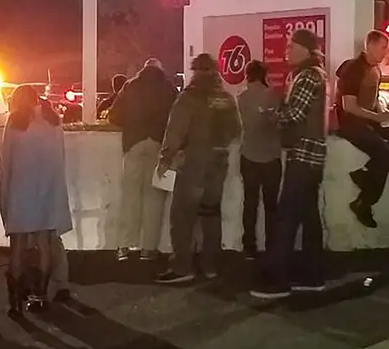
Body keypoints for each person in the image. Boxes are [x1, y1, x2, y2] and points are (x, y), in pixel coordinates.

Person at [251, 28, 330, 299]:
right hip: (312, 155)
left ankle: (278, 279)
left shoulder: (307, 76)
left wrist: (272, 115)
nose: (286, 51)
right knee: (308, 216)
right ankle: (313, 275)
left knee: (286, 216)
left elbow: (295, 114)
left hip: (303, 154)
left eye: (290, 46)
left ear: (305, 50)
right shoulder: (314, 74)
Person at [155, 53, 242, 284]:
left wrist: (165, 159)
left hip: (194, 163)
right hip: (219, 162)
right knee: (211, 215)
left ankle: (183, 267)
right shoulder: (226, 98)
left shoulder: (189, 98)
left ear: (196, 71)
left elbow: (175, 132)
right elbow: (236, 129)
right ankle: (210, 265)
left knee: (182, 216)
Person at [0, 86, 73, 313]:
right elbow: (60, 156)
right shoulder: (53, 120)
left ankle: (15, 303)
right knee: (44, 243)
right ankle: (40, 295)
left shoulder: (16, 121)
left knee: (19, 246)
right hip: (48, 190)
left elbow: (7, 160)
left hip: (21, 191)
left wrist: (5, 197)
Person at [336, 29, 389, 228]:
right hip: (350, 123)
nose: (386, 52)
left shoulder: (376, 70)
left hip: (369, 121)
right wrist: (376, 116)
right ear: (369, 46)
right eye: (383, 48)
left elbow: (372, 99)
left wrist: (382, 111)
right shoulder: (353, 69)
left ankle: (367, 174)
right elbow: (349, 106)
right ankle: (366, 201)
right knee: (383, 151)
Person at [108, 59, 178, 261]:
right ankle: (148, 249)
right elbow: (177, 119)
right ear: (160, 69)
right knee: (155, 198)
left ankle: (124, 247)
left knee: (130, 197)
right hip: (161, 147)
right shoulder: (169, 88)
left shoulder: (130, 85)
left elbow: (114, 116)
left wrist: (133, 123)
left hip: (134, 144)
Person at [237, 60, 283, 260]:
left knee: (250, 203)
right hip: (271, 157)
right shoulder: (274, 96)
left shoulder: (241, 98)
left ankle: (249, 246)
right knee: (272, 205)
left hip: (248, 156)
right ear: (264, 75)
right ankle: (273, 245)